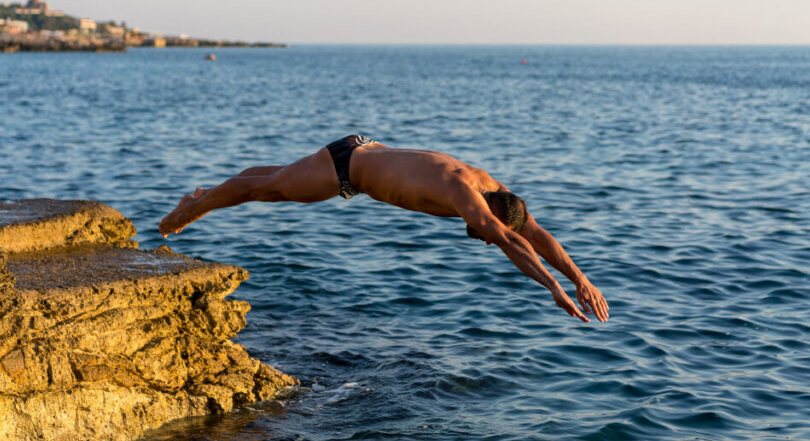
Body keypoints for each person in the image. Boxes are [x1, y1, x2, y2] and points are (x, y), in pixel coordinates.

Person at [160, 135, 609, 323]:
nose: (480, 236)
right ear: (485, 216)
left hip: (360, 154)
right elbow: (510, 240)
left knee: (269, 181)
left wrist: (580, 277)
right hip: (346, 169)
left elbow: (533, 233)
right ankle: (191, 208)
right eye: (482, 232)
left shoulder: (493, 189)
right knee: (262, 191)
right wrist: (553, 288)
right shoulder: (468, 198)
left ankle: (205, 195)